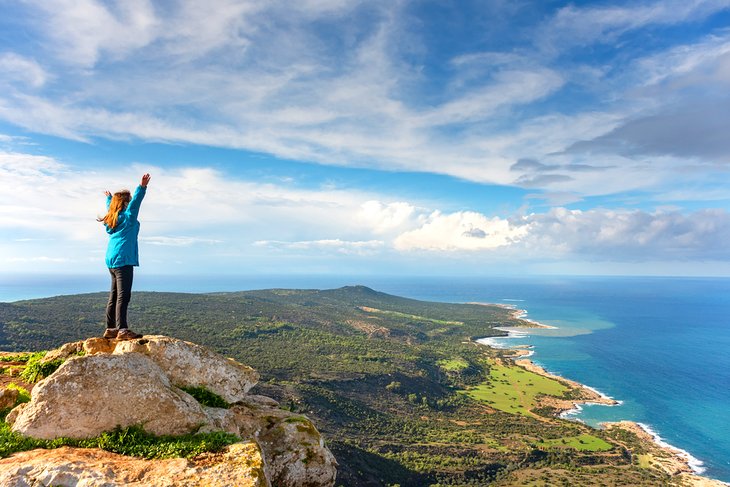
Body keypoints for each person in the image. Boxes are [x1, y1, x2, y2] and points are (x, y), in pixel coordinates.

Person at [99, 173, 151, 340]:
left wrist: (109, 199)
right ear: (125, 203)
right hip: (123, 259)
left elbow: (112, 208)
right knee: (123, 295)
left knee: (114, 294)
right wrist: (141, 187)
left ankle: (111, 329)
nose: (129, 202)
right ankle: (122, 330)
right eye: (127, 200)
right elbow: (136, 203)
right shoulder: (128, 218)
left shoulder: (112, 218)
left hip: (112, 260)